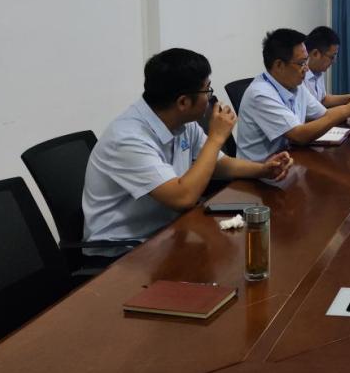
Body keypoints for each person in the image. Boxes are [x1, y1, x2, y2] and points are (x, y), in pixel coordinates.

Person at [82, 48, 294, 258]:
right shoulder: (128, 138)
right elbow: (182, 197)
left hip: (168, 234)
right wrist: (216, 138)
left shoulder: (182, 122)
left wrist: (263, 169)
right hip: (121, 253)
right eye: (207, 90)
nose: (210, 99)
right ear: (183, 102)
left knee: (236, 253)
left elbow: (218, 163)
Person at [236, 28, 350, 162]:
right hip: (260, 170)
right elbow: (299, 135)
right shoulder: (260, 94)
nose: (306, 69)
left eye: (306, 61)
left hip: (288, 158)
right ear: (279, 65)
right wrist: (346, 110)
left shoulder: (296, 85)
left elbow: (323, 114)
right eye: (301, 63)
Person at [302, 26, 350, 107]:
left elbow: (323, 100)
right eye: (332, 57)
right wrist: (348, 109)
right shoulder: (299, 77)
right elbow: (310, 112)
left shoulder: (318, 71)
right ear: (315, 54)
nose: (334, 61)